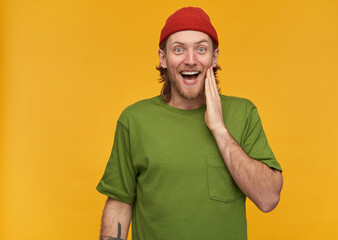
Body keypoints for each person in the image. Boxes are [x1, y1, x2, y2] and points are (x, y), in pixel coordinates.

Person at [97, 6, 283, 240]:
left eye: (201, 49)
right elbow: (119, 204)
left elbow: (268, 199)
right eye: (178, 49)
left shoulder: (243, 113)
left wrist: (219, 129)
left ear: (214, 57)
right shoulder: (134, 121)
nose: (191, 60)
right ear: (163, 58)